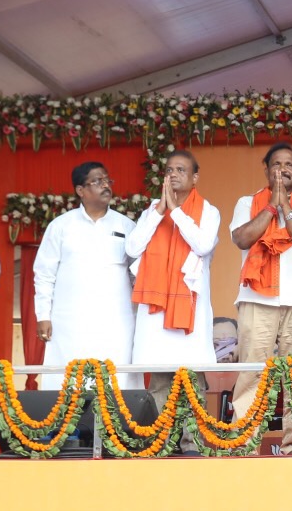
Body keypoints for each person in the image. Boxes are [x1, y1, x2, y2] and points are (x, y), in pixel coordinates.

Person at [229, 142, 292, 453]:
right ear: (266, 170)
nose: (282, 169)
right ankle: (246, 442)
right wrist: (270, 207)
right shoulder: (247, 202)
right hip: (256, 299)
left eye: (289, 164)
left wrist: (286, 208)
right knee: (252, 372)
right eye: (276, 164)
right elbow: (241, 238)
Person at [128, 150, 221, 394]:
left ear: (195, 178)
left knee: (191, 381)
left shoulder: (209, 211)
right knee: (159, 381)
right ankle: (163, 434)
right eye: (169, 170)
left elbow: (202, 245)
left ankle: (192, 434)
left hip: (189, 312)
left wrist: (175, 212)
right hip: (155, 312)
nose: (174, 174)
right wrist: (160, 212)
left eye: (181, 170)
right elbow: (132, 247)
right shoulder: (152, 211)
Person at [34, 162, 135, 388]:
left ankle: (117, 424)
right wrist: (43, 315)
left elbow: (137, 275)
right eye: (97, 181)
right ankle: (68, 423)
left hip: (115, 321)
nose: (105, 186)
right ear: (81, 191)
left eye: (107, 180)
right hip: (70, 322)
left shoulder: (126, 225)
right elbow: (44, 273)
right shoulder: (61, 226)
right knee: (69, 379)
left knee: (115, 379)